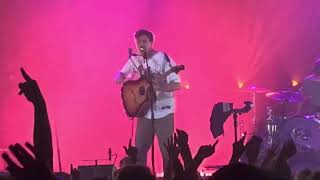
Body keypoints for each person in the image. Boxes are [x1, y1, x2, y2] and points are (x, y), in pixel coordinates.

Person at [115, 29, 181, 170]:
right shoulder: (135, 59)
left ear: (151, 42)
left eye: (144, 41)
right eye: (138, 42)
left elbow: (177, 84)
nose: (141, 44)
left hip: (164, 111)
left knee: (167, 153)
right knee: (139, 152)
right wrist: (122, 77)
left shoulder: (163, 58)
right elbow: (119, 74)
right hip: (144, 112)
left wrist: (162, 87)